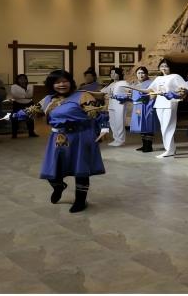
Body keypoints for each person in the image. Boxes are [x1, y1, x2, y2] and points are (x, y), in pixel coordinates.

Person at [8, 70, 111, 213]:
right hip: (58, 137)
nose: (62, 84)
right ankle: (58, 186)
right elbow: (32, 111)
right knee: (52, 168)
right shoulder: (48, 99)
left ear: (70, 82)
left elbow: (98, 113)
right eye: (57, 82)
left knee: (81, 170)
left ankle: (80, 201)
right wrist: (12, 116)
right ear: (51, 84)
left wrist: (104, 128)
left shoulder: (82, 96)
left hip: (81, 136)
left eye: (65, 81)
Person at [147, 59, 188, 158]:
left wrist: (177, 93)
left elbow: (184, 89)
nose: (164, 68)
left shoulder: (175, 76)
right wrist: (142, 91)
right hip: (159, 104)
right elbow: (151, 89)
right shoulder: (158, 78)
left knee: (168, 126)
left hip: (170, 103)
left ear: (170, 67)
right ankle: (170, 149)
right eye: (162, 66)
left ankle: (169, 150)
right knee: (163, 127)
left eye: (166, 66)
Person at [101, 67, 133, 147]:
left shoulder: (123, 83)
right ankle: (116, 139)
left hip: (120, 105)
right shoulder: (111, 84)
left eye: (114, 73)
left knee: (119, 123)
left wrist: (124, 97)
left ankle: (121, 140)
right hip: (111, 106)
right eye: (111, 73)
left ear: (119, 74)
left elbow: (130, 93)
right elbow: (102, 92)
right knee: (112, 123)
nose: (112, 74)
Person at [127, 67, 157, 152]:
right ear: (136, 74)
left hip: (147, 106)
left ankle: (148, 146)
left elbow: (153, 96)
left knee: (148, 125)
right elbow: (133, 96)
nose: (141, 75)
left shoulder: (151, 83)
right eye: (139, 73)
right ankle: (144, 145)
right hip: (137, 107)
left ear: (146, 74)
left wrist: (150, 107)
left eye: (143, 73)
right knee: (141, 125)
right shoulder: (135, 84)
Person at [9, 73, 38, 138]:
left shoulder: (30, 86)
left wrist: (23, 96)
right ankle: (14, 134)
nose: (23, 80)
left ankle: (31, 132)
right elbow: (15, 95)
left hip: (29, 103)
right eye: (20, 79)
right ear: (17, 80)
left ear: (26, 79)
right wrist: (25, 96)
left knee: (30, 118)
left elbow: (31, 95)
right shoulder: (14, 86)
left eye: (24, 79)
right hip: (17, 103)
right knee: (15, 118)